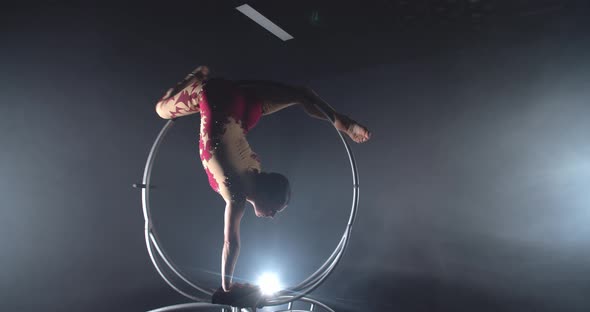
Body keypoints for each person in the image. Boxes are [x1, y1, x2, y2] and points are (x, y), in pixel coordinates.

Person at [154, 66, 371, 307]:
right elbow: (230, 243)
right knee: (161, 109)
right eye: (275, 209)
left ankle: (338, 119)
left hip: (244, 110)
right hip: (213, 97)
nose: (272, 215)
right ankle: (193, 78)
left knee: (301, 95)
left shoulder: (255, 168)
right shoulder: (235, 194)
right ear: (265, 197)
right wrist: (226, 286)